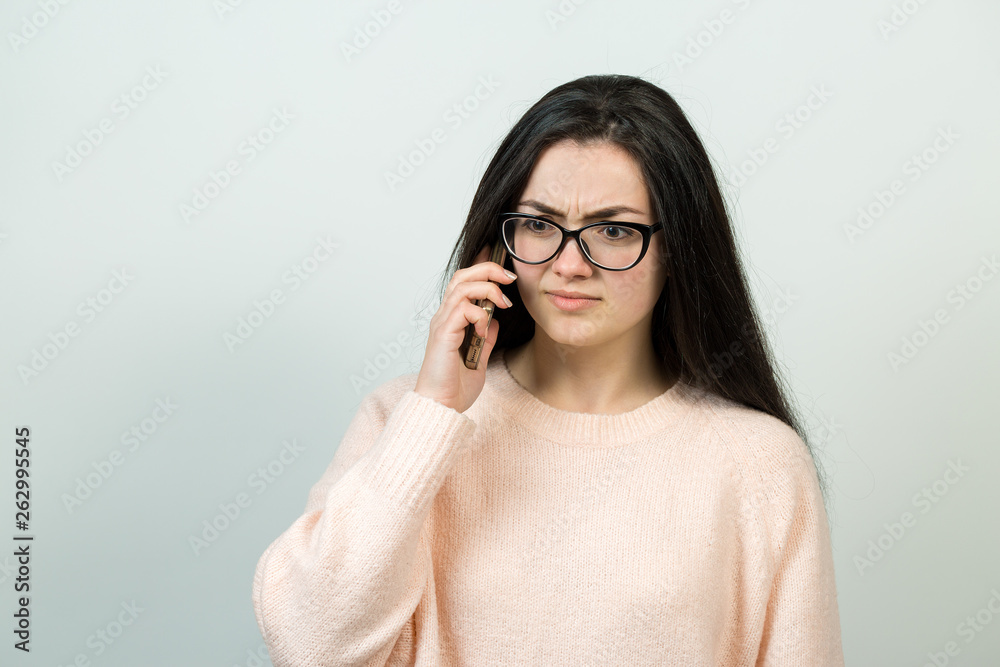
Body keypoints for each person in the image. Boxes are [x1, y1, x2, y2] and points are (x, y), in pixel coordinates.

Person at [251, 73, 845, 665]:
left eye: (613, 231)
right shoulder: (404, 422)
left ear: (679, 246)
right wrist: (432, 413)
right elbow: (310, 646)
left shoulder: (759, 462)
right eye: (538, 224)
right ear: (499, 242)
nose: (568, 264)